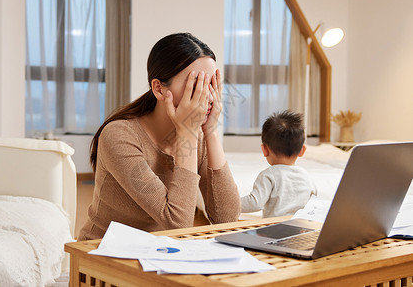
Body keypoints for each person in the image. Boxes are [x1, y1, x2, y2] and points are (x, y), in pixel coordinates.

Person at [78, 33, 241, 240]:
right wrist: (188, 133)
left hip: (162, 255)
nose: (207, 96)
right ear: (159, 89)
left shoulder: (198, 137)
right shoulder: (119, 135)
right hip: (104, 256)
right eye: (195, 85)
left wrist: (211, 131)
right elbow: (178, 224)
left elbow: (227, 219)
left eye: (211, 84)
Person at [240, 110, 316, 218]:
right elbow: (316, 203)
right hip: (300, 228)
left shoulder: (268, 175)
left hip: (274, 231)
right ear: (302, 150)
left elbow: (255, 203)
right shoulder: (306, 175)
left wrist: (231, 204)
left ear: (265, 149)